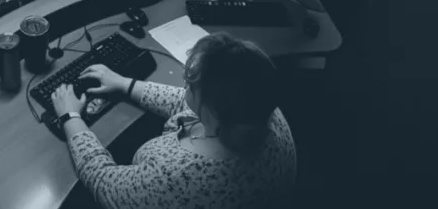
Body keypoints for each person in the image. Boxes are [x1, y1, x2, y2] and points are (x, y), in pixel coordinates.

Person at [51, 32, 297, 209]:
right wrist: (125, 84)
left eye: (191, 82)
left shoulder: (177, 180)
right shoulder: (260, 107)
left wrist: (69, 116)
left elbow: (104, 182)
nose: (184, 79)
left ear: (211, 109)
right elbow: (187, 103)